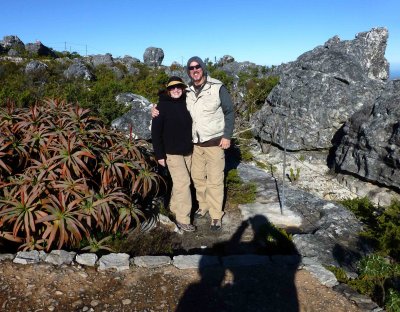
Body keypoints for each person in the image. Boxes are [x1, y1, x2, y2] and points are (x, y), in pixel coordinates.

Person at [153, 57, 234, 231]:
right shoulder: (187, 91)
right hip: (195, 146)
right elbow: (165, 107)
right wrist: (152, 109)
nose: (195, 70)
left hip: (214, 143)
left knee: (214, 180)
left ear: (203, 68)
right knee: (196, 180)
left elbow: (229, 111)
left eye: (198, 67)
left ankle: (215, 215)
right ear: (188, 72)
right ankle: (202, 207)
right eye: (191, 68)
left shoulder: (217, 87)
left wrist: (227, 136)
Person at [151, 76, 195, 232]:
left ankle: (174, 208)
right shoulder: (161, 107)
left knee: (181, 183)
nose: (176, 90)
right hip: (171, 153)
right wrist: (160, 155)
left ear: (183, 88)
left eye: (179, 87)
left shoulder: (188, 102)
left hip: (188, 151)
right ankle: (183, 219)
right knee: (183, 183)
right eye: (172, 88)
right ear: (167, 90)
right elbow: (155, 134)